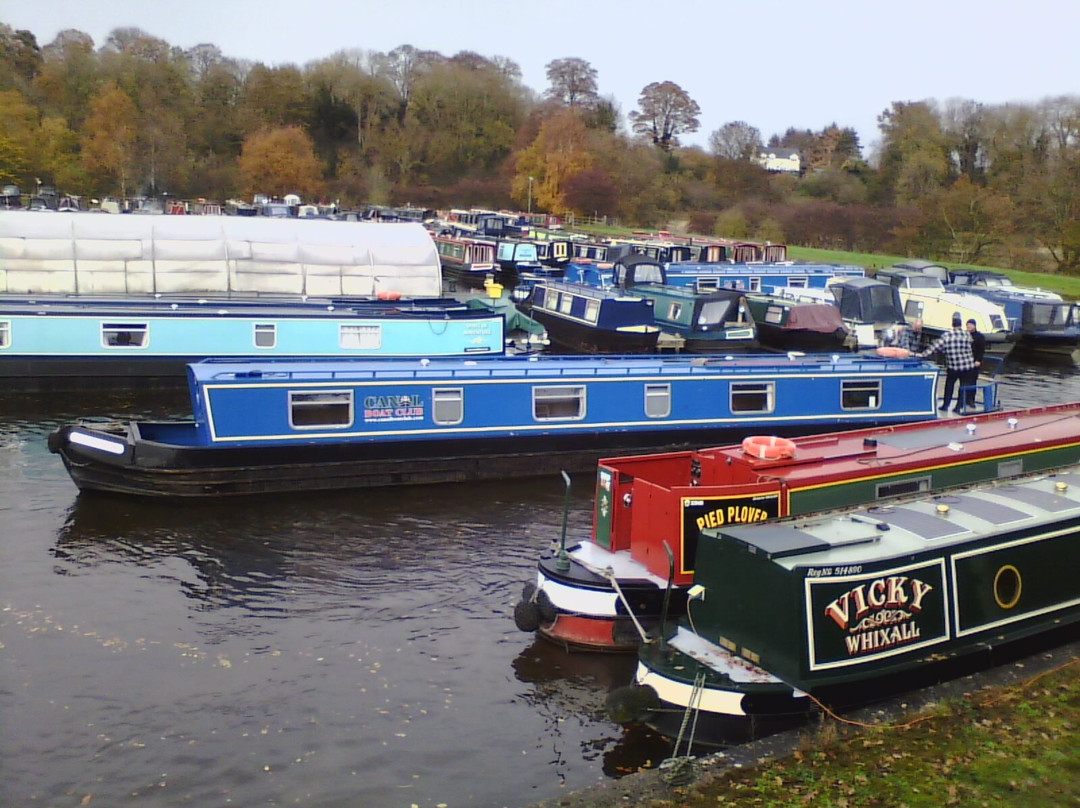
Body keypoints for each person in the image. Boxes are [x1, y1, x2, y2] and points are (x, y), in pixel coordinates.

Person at [917, 313, 975, 413]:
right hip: (967, 366)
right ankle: (958, 407)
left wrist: (923, 354)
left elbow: (935, 348)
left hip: (954, 366)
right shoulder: (967, 334)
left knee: (949, 385)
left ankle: (945, 405)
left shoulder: (947, 336)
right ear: (961, 324)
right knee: (963, 386)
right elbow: (970, 342)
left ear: (952, 324)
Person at [963, 318, 987, 411]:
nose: (968, 327)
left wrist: (978, 360)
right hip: (965, 363)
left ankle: (971, 400)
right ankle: (963, 399)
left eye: (970, 325)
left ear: (974, 326)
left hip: (975, 362)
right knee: (964, 381)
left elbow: (981, 350)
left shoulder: (980, 337)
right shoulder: (964, 335)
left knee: (973, 381)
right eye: (967, 325)